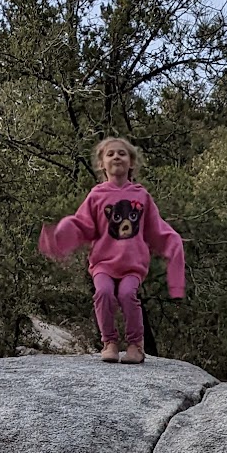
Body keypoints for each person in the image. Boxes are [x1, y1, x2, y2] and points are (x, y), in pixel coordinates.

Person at [38, 137, 185, 363]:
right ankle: (110, 342)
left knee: (127, 295)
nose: (116, 157)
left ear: (131, 163)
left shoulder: (141, 195)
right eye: (110, 154)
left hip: (132, 265)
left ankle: (135, 345)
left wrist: (173, 252)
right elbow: (83, 225)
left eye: (122, 154)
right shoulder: (96, 195)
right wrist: (61, 236)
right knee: (104, 293)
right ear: (101, 164)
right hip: (103, 263)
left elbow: (157, 230)